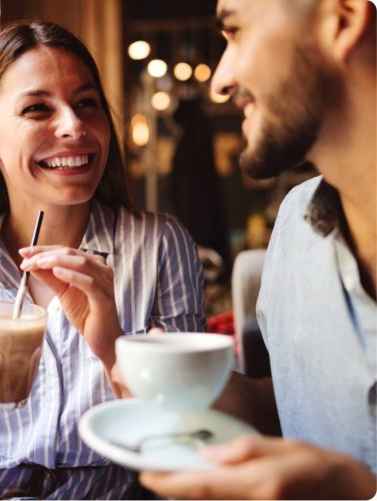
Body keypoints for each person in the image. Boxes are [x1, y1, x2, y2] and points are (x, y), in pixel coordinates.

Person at [0, 21, 206, 500]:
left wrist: (113, 349)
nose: (74, 126)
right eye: (37, 108)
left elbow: (188, 444)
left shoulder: (161, 246)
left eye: (87, 103)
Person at [132, 0, 377, 499]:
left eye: (236, 32)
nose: (220, 79)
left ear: (344, 20)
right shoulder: (294, 225)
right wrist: (148, 362)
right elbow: (290, 411)